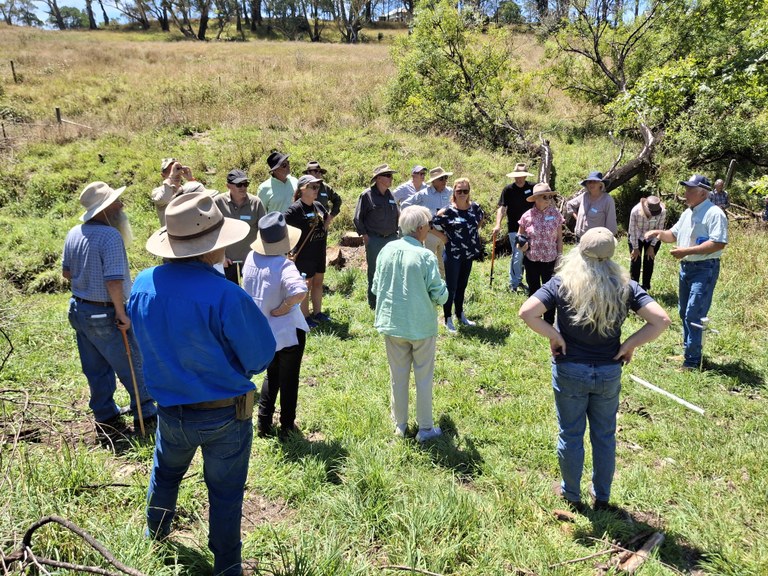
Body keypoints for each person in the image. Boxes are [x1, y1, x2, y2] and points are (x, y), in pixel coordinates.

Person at [128, 192, 275, 576]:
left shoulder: (142, 284)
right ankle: (227, 566)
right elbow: (260, 357)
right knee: (225, 493)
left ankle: (154, 536)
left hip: (170, 411)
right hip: (224, 414)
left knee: (166, 473)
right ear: (213, 246)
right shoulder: (226, 294)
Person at [519, 227, 670, 511]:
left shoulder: (562, 281)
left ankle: (571, 495)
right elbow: (661, 320)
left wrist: (555, 336)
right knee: (604, 435)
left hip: (570, 369)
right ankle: (602, 497)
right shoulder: (625, 285)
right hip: (608, 371)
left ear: (580, 249)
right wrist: (629, 345)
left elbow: (527, 312)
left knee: (570, 433)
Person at [63, 181, 157, 434]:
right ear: (106, 209)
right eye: (117, 202)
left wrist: (86, 279)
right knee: (132, 363)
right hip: (104, 312)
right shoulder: (110, 236)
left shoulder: (74, 232)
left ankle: (106, 416)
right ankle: (145, 414)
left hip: (79, 309)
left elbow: (66, 273)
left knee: (95, 368)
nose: (122, 205)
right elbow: (114, 280)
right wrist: (121, 312)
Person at [372, 206, 448, 443]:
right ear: (420, 228)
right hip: (421, 325)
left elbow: (376, 287)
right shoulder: (425, 255)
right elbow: (440, 295)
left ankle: (400, 425)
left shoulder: (387, 250)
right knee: (423, 377)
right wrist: (444, 289)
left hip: (393, 323)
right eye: (428, 224)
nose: (429, 228)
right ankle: (425, 428)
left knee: (398, 376)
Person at [645, 174, 728, 370]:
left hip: (704, 268)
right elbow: (672, 235)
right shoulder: (687, 213)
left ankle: (692, 361)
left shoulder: (714, 213)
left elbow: (718, 243)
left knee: (694, 312)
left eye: (689, 189)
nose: (685, 193)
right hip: (687, 268)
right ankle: (688, 350)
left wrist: (686, 252)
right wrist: (658, 233)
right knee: (684, 311)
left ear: (702, 192)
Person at [242, 212, 309, 438]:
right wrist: (283, 308)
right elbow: (299, 291)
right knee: (289, 379)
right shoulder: (284, 265)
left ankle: (263, 423)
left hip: (264, 332)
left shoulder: (251, 258)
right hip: (288, 332)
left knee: (272, 375)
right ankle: (287, 426)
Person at [431, 178, 485, 333]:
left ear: (469, 192)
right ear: (454, 192)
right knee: (451, 286)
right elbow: (430, 225)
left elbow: (479, 221)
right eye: (459, 191)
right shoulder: (447, 211)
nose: (462, 194)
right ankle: (447, 318)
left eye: (465, 191)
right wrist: (443, 238)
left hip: (468, 253)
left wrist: (472, 234)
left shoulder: (475, 207)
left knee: (463, 285)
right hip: (453, 253)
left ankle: (460, 313)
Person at [284, 174, 330, 327]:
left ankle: (318, 312)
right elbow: (283, 227)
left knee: (318, 282)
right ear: (303, 189)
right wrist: (288, 250)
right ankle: (305, 316)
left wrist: (323, 230)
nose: (317, 190)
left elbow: (326, 218)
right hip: (304, 253)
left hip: (319, 250)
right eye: (313, 187)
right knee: (305, 285)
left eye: (318, 187)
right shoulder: (295, 209)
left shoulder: (318, 205)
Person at [353, 164, 400, 309]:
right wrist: (365, 236)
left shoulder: (390, 195)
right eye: (388, 175)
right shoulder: (367, 195)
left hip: (391, 238)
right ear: (379, 178)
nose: (391, 178)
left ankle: (388, 300)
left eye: (391, 175)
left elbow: (397, 215)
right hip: (375, 239)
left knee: (391, 270)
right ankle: (373, 303)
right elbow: (357, 218)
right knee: (374, 271)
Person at [517, 183, 563, 324]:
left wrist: (560, 257)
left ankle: (549, 321)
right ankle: (534, 320)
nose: (549, 199)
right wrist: (522, 246)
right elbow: (519, 238)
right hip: (532, 259)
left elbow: (560, 239)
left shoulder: (556, 215)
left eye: (550, 196)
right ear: (536, 198)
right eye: (545, 196)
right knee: (534, 290)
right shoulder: (526, 216)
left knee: (551, 292)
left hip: (550, 259)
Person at [214, 168, 266, 284]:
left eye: (245, 184)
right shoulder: (218, 202)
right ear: (228, 186)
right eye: (239, 185)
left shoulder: (256, 202)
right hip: (227, 261)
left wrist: (261, 255)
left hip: (252, 261)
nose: (243, 188)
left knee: (253, 296)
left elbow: (263, 231)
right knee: (230, 297)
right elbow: (212, 231)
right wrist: (220, 256)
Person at [402, 166, 453, 278]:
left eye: (445, 178)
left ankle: (441, 289)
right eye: (441, 178)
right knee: (426, 261)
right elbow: (405, 205)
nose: (445, 180)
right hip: (430, 233)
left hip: (447, 233)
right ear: (434, 181)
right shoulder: (424, 194)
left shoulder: (450, 192)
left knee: (444, 263)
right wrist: (418, 219)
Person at [493, 162, 535, 292]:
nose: (519, 178)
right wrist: (498, 224)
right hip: (514, 228)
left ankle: (527, 281)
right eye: (517, 175)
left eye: (522, 175)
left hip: (532, 227)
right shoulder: (508, 190)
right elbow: (502, 207)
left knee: (529, 255)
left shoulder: (533, 187)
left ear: (525, 176)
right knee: (517, 255)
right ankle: (514, 283)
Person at [627, 195, 666, 291]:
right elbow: (632, 231)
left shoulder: (663, 212)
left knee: (649, 260)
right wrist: (635, 248)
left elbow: (659, 230)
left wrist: (652, 246)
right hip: (636, 236)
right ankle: (634, 287)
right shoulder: (635, 211)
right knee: (635, 260)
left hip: (653, 236)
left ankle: (645, 286)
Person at [565, 171, 617, 238]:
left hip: (596, 239)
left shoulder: (607, 200)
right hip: (579, 237)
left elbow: (611, 222)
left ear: (600, 184)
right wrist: (578, 218)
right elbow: (569, 204)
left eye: (594, 181)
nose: (591, 184)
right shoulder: (584, 196)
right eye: (589, 182)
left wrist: (608, 238)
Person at [150, 158, 196, 225]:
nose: (176, 173)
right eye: (171, 171)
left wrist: (191, 180)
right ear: (163, 175)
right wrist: (171, 176)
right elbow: (165, 198)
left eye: (177, 169)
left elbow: (203, 199)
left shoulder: (187, 189)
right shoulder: (157, 192)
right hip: (172, 234)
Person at [303, 161, 342, 226]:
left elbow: (337, 200)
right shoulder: (303, 188)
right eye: (315, 171)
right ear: (308, 173)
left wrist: (330, 216)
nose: (318, 173)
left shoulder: (326, 187)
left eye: (320, 171)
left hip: (323, 224)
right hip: (305, 224)